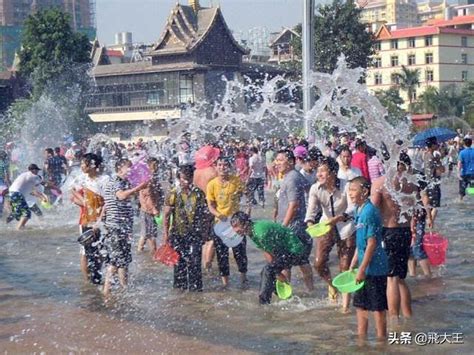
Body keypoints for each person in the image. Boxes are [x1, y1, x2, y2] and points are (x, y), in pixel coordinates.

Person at [371, 153, 417, 326]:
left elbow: (373, 209)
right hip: (405, 232)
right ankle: (408, 315)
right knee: (401, 278)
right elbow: (414, 211)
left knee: (391, 278)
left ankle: (393, 319)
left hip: (388, 231)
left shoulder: (381, 183)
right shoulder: (411, 184)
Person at [305, 156, 355, 311]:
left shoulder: (347, 185)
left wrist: (341, 217)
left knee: (345, 266)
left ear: (333, 172)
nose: (319, 174)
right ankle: (331, 285)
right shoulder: (315, 188)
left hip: (346, 226)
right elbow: (311, 211)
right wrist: (310, 223)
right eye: (317, 171)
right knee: (318, 263)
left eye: (323, 171)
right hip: (326, 225)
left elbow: (353, 208)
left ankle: (346, 305)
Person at [230, 212, 312, 304]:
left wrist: (277, 272)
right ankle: (286, 297)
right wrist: (276, 271)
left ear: (245, 223)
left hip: (294, 250)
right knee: (267, 271)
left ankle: (264, 303)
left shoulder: (260, 232)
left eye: (236, 226)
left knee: (268, 271)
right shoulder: (252, 232)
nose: (235, 230)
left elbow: (275, 253)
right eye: (233, 226)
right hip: (286, 249)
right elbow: (266, 251)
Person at [348, 176, 388, 340]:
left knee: (377, 308)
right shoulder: (359, 210)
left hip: (375, 268)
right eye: (349, 190)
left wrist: (362, 269)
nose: (350, 194)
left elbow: (371, 244)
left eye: (353, 190)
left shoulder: (369, 212)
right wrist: (353, 264)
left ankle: (381, 341)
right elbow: (361, 242)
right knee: (360, 306)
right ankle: (361, 339)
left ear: (364, 191)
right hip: (363, 266)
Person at [102, 159, 148, 297]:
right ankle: (107, 291)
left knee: (123, 259)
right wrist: (138, 188)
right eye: (129, 167)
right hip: (117, 227)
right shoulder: (117, 181)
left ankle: (124, 288)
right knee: (115, 260)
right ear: (120, 168)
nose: (131, 170)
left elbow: (108, 203)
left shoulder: (120, 182)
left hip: (121, 227)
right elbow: (121, 196)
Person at [162, 165, 209, 291]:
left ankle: (196, 294)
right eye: (183, 179)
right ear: (178, 178)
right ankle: (180, 292)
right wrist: (166, 235)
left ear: (192, 177)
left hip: (195, 234)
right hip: (177, 234)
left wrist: (205, 232)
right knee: (179, 265)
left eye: (188, 178)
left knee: (195, 264)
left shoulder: (199, 194)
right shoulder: (173, 193)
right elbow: (166, 215)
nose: (186, 181)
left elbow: (204, 215)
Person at [274, 149, 314, 292]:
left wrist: (283, 226)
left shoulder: (291, 178)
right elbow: (310, 188)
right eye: (276, 160)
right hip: (297, 225)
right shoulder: (294, 175)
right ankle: (310, 291)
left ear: (290, 161)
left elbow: (294, 204)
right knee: (300, 260)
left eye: (280, 160)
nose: (276, 163)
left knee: (288, 262)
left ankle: (290, 294)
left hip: (293, 227)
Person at [206, 157, 249, 288]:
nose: (222, 167)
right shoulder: (212, 184)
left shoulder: (236, 181)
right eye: (220, 165)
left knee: (240, 253)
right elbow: (210, 206)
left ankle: (243, 279)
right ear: (216, 167)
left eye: (225, 165)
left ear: (229, 167)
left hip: (237, 224)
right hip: (220, 224)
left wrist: (246, 215)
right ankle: (225, 283)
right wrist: (219, 214)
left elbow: (248, 197)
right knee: (221, 254)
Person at [70, 153, 110, 284]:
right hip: (87, 221)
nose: (81, 166)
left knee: (103, 251)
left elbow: (109, 201)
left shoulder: (105, 180)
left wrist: (101, 219)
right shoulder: (82, 179)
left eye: (84, 163)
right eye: (81, 163)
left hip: (103, 221)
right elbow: (72, 190)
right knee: (87, 253)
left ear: (93, 165)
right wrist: (83, 201)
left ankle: (102, 279)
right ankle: (90, 282)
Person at [6, 164, 48, 230]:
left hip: (11, 193)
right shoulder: (33, 176)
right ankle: (19, 228)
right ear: (33, 170)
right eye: (37, 170)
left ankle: (5, 225)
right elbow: (43, 183)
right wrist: (43, 197)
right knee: (27, 213)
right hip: (17, 194)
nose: (37, 172)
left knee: (16, 213)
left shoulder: (23, 174)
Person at [138, 157, 164, 254]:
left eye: (157, 165)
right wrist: (154, 209)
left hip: (146, 209)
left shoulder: (151, 177)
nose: (157, 167)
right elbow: (147, 196)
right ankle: (154, 255)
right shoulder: (148, 178)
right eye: (154, 165)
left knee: (145, 234)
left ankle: (140, 252)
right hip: (148, 210)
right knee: (151, 235)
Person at [422, 137, 444, 226]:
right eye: (436, 144)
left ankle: (428, 222)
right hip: (434, 183)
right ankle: (430, 225)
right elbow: (442, 170)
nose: (437, 145)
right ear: (432, 145)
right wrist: (438, 160)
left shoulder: (425, 155)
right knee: (435, 206)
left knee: (428, 205)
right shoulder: (433, 157)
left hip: (425, 183)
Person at [458, 137, 474, 201]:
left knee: (462, 191)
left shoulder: (462, 152)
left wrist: (458, 173)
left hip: (464, 173)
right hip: (473, 174)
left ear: (464, 144)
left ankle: (461, 201)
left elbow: (459, 163)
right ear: (471, 143)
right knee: (472, 190)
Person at [0, 150, 11, 218]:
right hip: (1, 181)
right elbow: (7, 174)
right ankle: (0, 212)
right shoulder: (5, 163)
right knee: (1, 196)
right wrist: (9, 182)